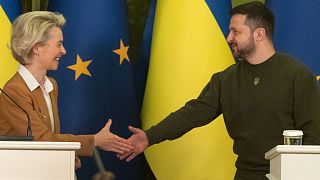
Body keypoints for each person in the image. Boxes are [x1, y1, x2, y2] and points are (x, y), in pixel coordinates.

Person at [118, 1, 320, 179]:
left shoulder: (297, 75)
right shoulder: (226, 80)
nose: (228, 37)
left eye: (236, 31)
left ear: (259, 34)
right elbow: (192, 114)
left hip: (291, 175)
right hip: (245, 174)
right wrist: (149, 136)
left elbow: (314, 135)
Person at [0, 11, 132, 165]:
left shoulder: (51, 85)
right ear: (36, 48)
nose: (64, 51)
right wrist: (94, 140)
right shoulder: (15, 90)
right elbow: (40, 139)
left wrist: (64, 155)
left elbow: (51, 136)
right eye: (58, 44)